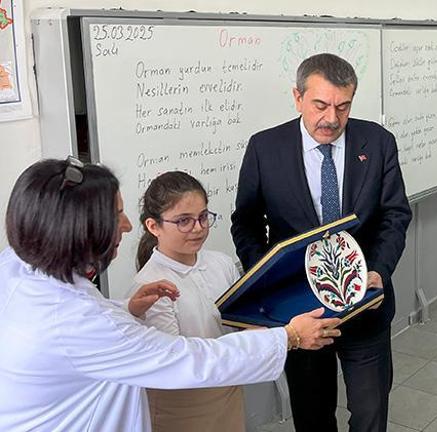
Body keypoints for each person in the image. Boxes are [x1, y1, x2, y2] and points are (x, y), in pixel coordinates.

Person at [0, 158, 341, 431]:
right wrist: (289, 337)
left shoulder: (18, 260)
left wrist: (125, 308)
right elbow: (187, 360)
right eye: (115, 215)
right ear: (79, 228)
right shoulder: (79, 321)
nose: (126, 226)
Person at [231, 53, 412, 432]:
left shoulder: (378, 142)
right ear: (297, 97)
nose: (332, 118)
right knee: (312, 417)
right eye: (320, 105)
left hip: (365, 305)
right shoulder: (265, 148)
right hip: (300, 315)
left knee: (370, 414)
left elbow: (395, 215)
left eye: (343, 107)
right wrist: (268, 284)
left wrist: (379, 271)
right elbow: (246, 224)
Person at [130, 171, 248, 432]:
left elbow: (240, 321)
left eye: (203, 217)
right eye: (184, 221)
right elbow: (177, 362)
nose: (198, 228)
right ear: (153, 226)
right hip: (181, 407)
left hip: (228, 391)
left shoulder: (222, 263)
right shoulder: (150, 286)